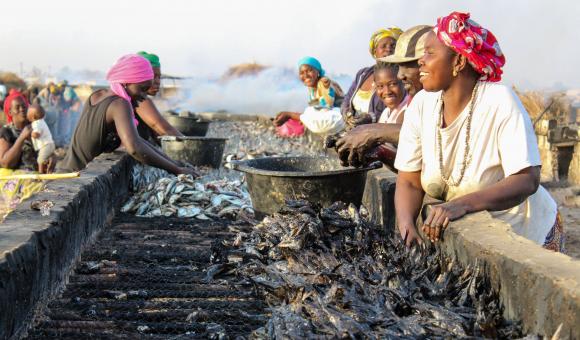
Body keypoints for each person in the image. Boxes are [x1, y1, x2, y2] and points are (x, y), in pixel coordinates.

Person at [394, 12, 564, 253]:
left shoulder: (499, 101)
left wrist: (460, 205)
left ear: (459, 62)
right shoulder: (421, 105)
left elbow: (527, 178)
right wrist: (406, 223)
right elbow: (409, 181)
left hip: (527, 233)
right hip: (479, 237)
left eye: (430, 53)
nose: (420, 61)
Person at [57, 54, 197, 177]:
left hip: (65, 170)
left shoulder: (98, 95)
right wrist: (176, 170)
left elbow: (139, 141)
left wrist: (174, 163)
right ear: (126, 82)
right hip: (76, 177)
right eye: (142, 89)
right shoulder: (120, 104)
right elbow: (134, 147)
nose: (144, 96)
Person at [335, 25, 432, 168]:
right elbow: (409, 173)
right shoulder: (364, 74)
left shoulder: (410, 106)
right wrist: (348, 117)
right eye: (380, 86)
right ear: (374, 52)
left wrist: (371, 129)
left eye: (408, 65)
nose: (401, 75)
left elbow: (417, 135)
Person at [341, 27, 403, 128]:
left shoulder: (400, 75)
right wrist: (346, 113)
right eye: (383, 46)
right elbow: (347, 99)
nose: (389, 49)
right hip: (355, 129)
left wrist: (370, 117)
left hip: (378, 130)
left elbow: (394, 105)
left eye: (393, 46)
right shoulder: (363, 74)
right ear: (375, 51)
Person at [273, 57, 345, 136]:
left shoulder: (324, 82)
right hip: (331, 115)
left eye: (309, 71)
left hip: (341, 115)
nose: (305, 75)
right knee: (308, 112)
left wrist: (291, 115)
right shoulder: (312, 88)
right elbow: (315, 107)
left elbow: (325, 108)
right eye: (302, 73)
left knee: (309, 111)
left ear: (317, 71)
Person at [0, 96, 46, 218]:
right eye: (17, 107)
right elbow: (5, 163)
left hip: (37, 174)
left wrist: (50, 158)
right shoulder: (7, 132)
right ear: (10, 112)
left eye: (24, 107)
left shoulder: (37, 129)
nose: (22, 110)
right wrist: (22, 137)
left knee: (50, 192)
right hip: (16, 176)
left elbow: (46, 151)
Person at [134, 51, 183, 142]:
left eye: (159, 77)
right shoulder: (140, 100)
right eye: (153, 76)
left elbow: (157, 133)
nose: (158, 82)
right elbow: (165, 130)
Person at [27, 104, 55, 173]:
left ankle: (40, 173)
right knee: (45, 158)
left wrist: (31, 133)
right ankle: (48, 169)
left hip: (46, 145)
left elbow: (37, 134)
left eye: (28, 113)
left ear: (33, 117)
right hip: (49, 144)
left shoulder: (36, 123)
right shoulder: (41, 121)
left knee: (40, 160)